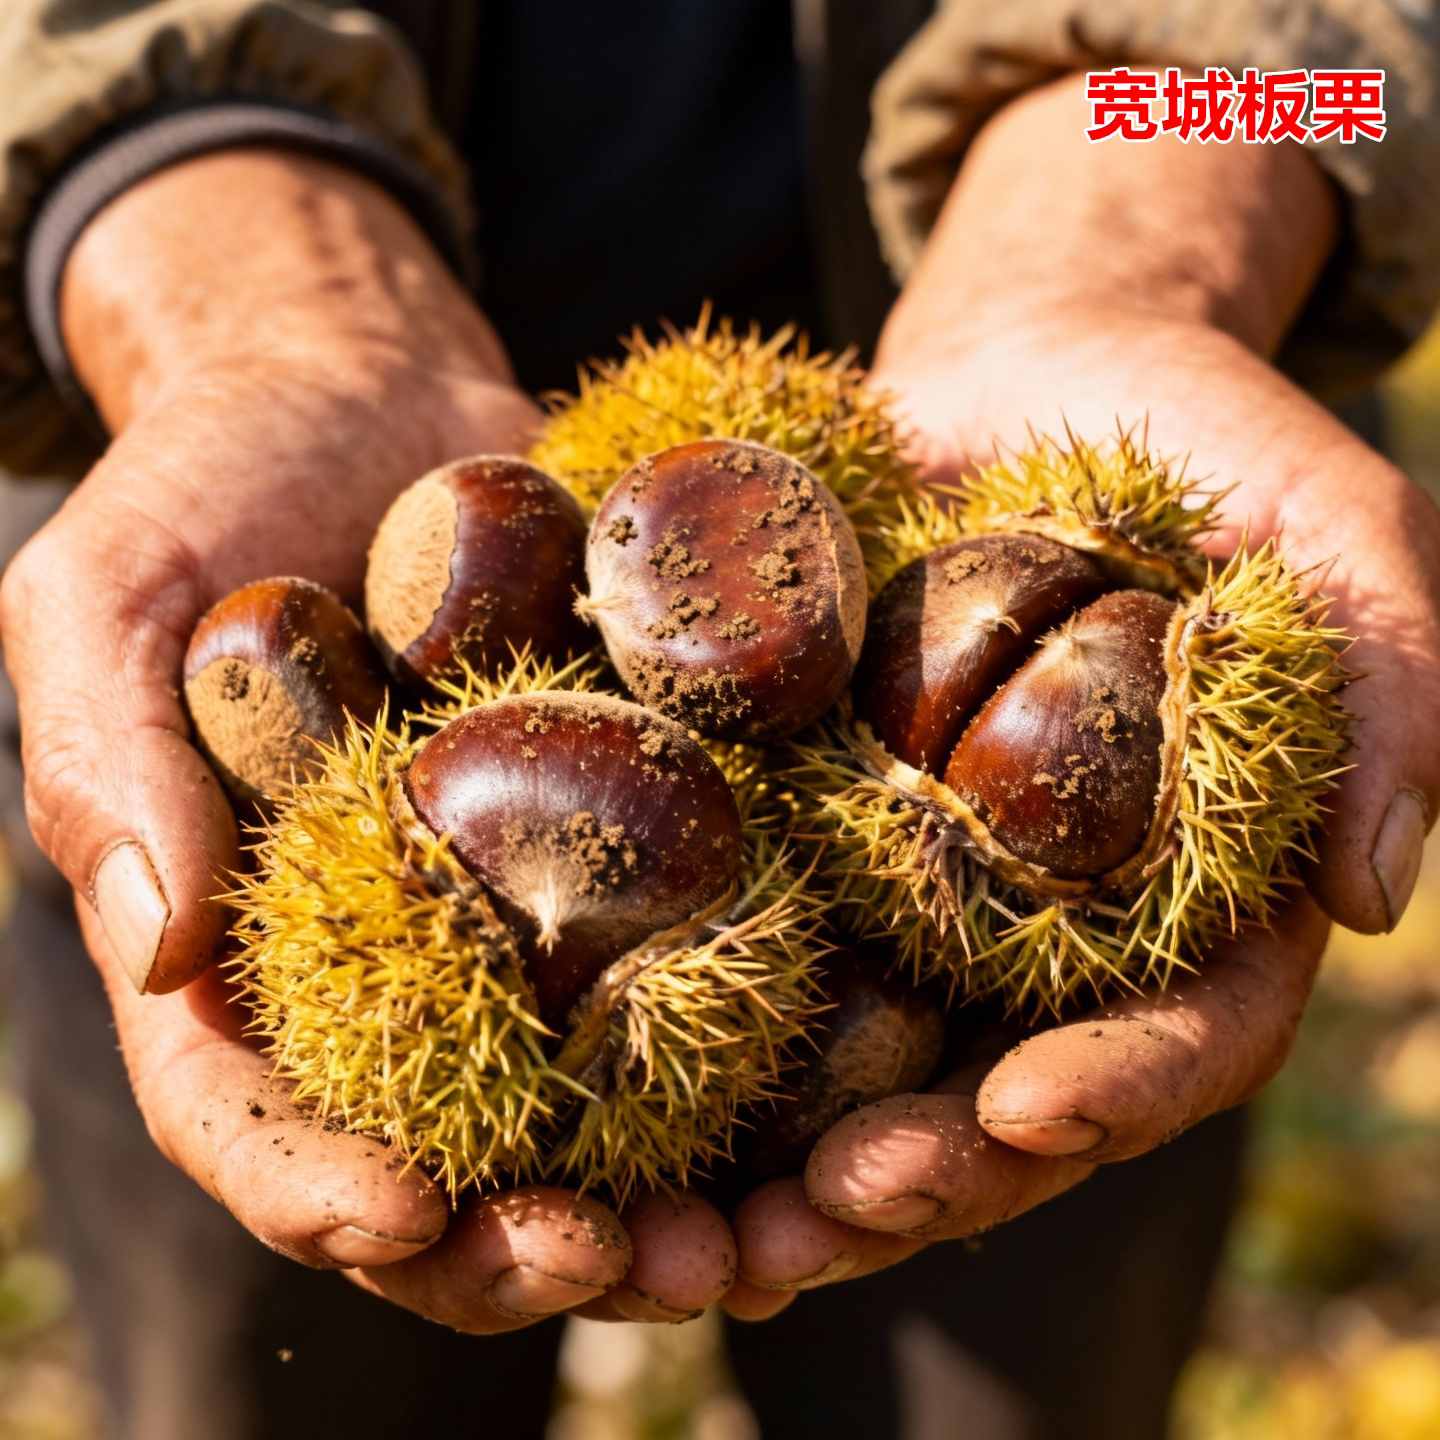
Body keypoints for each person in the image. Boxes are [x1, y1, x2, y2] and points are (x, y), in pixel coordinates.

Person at [0, 2, 1437, 1436]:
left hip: (1015, 402)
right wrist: (215, 236)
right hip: (337, 421)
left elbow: (1355, 69)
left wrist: (1150, 237)